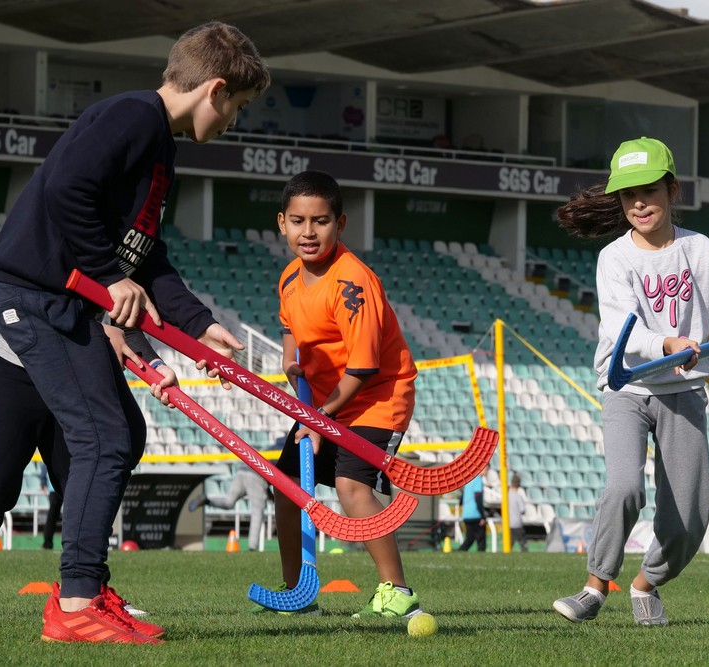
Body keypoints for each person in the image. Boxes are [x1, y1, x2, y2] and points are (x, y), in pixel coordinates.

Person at [0, 21, 269, 644]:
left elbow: (146, 257)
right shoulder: (132, 116)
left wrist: (199, 323)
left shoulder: (162, 149)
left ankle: (87, 584)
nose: (235, 119)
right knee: (102, 436)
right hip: (36, 300)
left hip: (68, 307)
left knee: (122, 433)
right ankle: (76, 602)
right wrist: (107, 275)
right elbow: (66, 188)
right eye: (238, 106)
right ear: (214, 89)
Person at [552, 136, 709, 627]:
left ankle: (645, 585)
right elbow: (624, 331)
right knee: (624, 486)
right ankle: (595, 586)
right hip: (627, 386)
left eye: (648, 190)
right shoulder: (614, 259)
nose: (638, 203)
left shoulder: (699, 249)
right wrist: (668, 344)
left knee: (690, 516)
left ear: (672, 190)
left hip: (683, 391)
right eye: (627, 195)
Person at [0, 304, 166, 623]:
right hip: (13, 353)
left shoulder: (131, 254)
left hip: (76, 360)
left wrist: (155, 363)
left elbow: (130, 315)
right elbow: (31, 285)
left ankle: (88, 590)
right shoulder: (46, 252)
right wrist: (93, 331)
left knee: (96, 470)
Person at [269, 170, 421, 618]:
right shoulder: (290, 278)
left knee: (352, 487)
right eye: (298, 221)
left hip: (376, 397)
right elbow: (289, 326)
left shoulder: (353, 282)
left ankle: (397, 592)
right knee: (286, 486)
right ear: (282, 223)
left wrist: (318, 422)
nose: (308, 232)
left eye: (320, 221)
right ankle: (297, 593)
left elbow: (363, 367)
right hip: (323, 402)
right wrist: (289, 359)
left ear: (341, 224)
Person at [189, 467, 271, 551]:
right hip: (257, 475)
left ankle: (207, 500)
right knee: (257, 512)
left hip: (242, 471)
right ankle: (252, 547)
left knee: (228, 502)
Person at [457, 473, 486, 552]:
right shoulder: (478, 479)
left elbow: (462, 496)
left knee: (470, 538)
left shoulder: (469, 479)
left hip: (466, 514)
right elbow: (478, 498)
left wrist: (461, 504)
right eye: (486, 469)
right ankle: (481, 555)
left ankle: (459, 551)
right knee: (481, 539)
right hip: (475, 514)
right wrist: (482, 516)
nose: (486, 472)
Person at [39, 463, 62, 550]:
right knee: (52, 516)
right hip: (55, 488)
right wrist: (43, 482)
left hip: (56, 488)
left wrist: (43, 482)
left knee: (52, 517)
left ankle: (47, 542)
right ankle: (47, 542)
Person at [508, 474, 528, 553]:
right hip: (517, 523)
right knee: (523, 543)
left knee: (509, 543)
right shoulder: (518, 497)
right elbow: (522, 510)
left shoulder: (506, 496)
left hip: (508, 524)